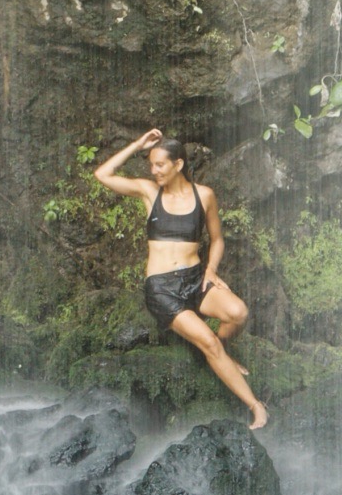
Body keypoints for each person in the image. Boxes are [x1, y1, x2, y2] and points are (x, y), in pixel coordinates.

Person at [93, 129, 268, 429]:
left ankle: (223, 352)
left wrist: (211, 269)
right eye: (151, 165)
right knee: (209, 342)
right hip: (163, 289)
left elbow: (217, 239)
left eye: (160, 164)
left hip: (196, 278)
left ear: (178, 165)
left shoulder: (205, 195)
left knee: (238, 313)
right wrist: (137, 145)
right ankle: (255, 405)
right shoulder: (150, 193)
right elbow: (102, 174)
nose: (154, 170)